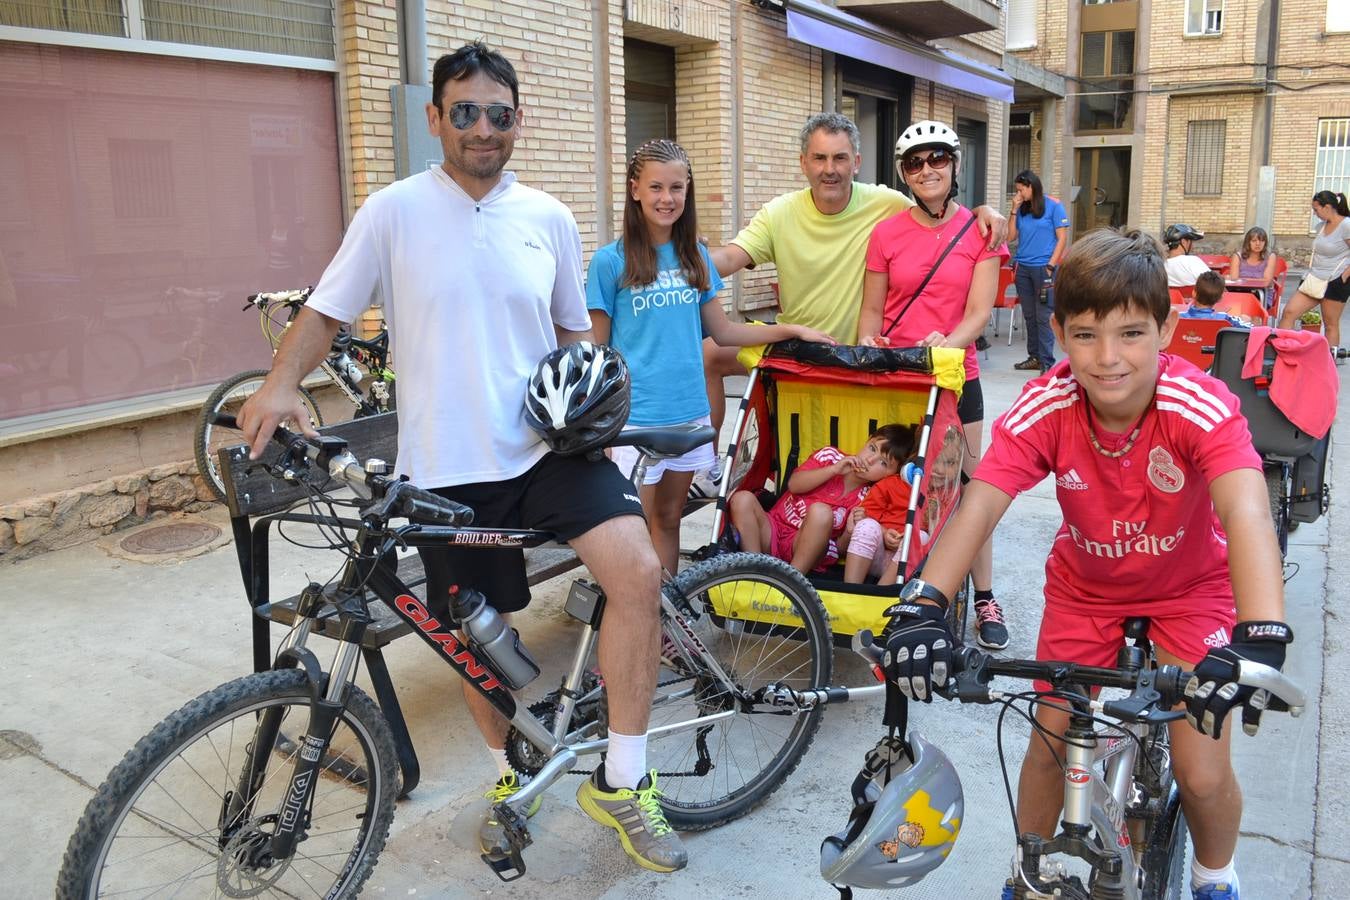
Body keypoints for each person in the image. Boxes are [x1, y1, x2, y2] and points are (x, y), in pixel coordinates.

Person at [235, 41, 687, 874]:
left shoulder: (546, 216)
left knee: (637, 573)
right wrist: (278, 385)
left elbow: (570, 333)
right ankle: (506, 785)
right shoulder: (393, 211)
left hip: (547, 454)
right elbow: (328, 312)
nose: (484, 128)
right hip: (444, 469)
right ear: (435, 117)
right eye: (466, 112)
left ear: (519, 121)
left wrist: (597, 398)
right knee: (476, 641)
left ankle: (625, 778)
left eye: (500, 114)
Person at [880, 227, 1290, 900]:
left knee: (1204, 773)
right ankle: (1028, 875)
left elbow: (1246, 512)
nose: (1108, 359)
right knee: (1047, 742)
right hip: (1086, 591)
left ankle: (1217, 877)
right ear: (1059, 334)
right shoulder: (1050, 402)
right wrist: (923, 605)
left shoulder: (1199, 404)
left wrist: (1263, 633)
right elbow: (977, 507)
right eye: (1086, 335)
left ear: (1166, 328)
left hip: (1191, 591)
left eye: (1131, 333)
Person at [695, 113, 1007, 488]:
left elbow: (939, 207)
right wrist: (673, 261)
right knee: (711, 357)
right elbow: (729, 258)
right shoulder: (781, 213)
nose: (830, 169)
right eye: (820, 158)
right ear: (803, 162)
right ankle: (709, 467)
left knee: (935, 486)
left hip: (866, 359)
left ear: (856, 162)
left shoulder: (883, 204)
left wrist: (984, 212)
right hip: (801, 353)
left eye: (840, 158)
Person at [587, 138, 832, 575]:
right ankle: (636, 621)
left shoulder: (694, 256)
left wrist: (789, 328)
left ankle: (666, 620)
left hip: (688, 417)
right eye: (657, 187)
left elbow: (723, 331)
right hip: (634, 422)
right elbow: (598, 355)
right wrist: (602, 431)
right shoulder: (610, 262)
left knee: (666, 521)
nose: (667, 198)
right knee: (631, 532)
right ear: (634, 189)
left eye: (677, 188)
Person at [856, 120, 1010, 650]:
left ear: (954, 164)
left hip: (955, 377)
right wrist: (869, 349)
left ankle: (985, 594)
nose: (927, 170)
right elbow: (871, 313)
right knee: (893, 480)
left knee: (972, 489)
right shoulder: (887, 233)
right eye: (915, 163)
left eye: (937, 158)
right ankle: (886, 576)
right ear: (903, 173)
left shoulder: (980, 230)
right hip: (899, 378)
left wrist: (943, 350)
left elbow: (979, 311)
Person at [728, 426, 908, 574]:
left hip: (806, 549)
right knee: (741, 499)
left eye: (883, 463)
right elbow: (794, 485)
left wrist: (849, 531)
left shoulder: (869, 496)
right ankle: (754, 571)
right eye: (872, 448)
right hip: (773, 528)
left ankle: (790, 582)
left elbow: (839, 549)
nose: (870, 460)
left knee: (820, 512)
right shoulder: (831, 456)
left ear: (890, 475)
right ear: (867, 441)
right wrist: (833, 470)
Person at [1007, 169, 1069, 372]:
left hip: (1044, 269)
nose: (1018, 194)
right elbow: (1010, 237)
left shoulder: (1054, 206)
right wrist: (1014, 209)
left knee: (1044, 316)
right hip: (1023, 269)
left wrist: (1051, 265)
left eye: (1021, 190)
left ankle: (1047, 362)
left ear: (1031, 186)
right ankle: (1034, 357)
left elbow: (1062, 238)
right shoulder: (1022, 209)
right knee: (1029, 315)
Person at [840, 424, 919, 583]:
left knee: (918, 537)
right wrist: (884, 533)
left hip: (909, 565)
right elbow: (866, 517)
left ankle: (883, 594)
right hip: (877, 555)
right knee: (867, 525)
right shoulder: (889, 484)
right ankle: (851, 589)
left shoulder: (940, 494)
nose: (870, 461)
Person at [1277, 190, 1350, 354]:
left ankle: (1329, 364)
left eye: (1316, 209)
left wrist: (1345, 275)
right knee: (1289, 312)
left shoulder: (1346, 225)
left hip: (1335, 281)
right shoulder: (1321, 226)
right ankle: (1281, 353)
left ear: (1328, 207)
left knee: (1330, 323)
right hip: (1314, 278)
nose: (1315, 213)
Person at [1164, 223, 1212, 287]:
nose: (1192, 246)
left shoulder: (1159, 264)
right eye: (1190, 242)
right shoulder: (1192, 262)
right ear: (1183, 242)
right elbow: (1214, 284)